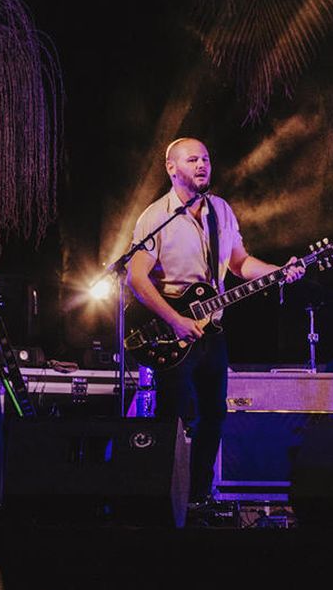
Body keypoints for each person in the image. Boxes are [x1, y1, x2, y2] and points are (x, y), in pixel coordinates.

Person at [126, 137, 305, 510]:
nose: (203, 165)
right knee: (175, 416)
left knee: (215, 415)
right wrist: (175, 320)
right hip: (171, 332)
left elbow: (240, 263)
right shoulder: (156, 216)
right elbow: (136, 279)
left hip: (212, 332)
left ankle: (198, 496)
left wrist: (278, 271)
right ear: (172, 168)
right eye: (193, 159)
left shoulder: (220, 211)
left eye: (206, 158)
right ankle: (161, 497)